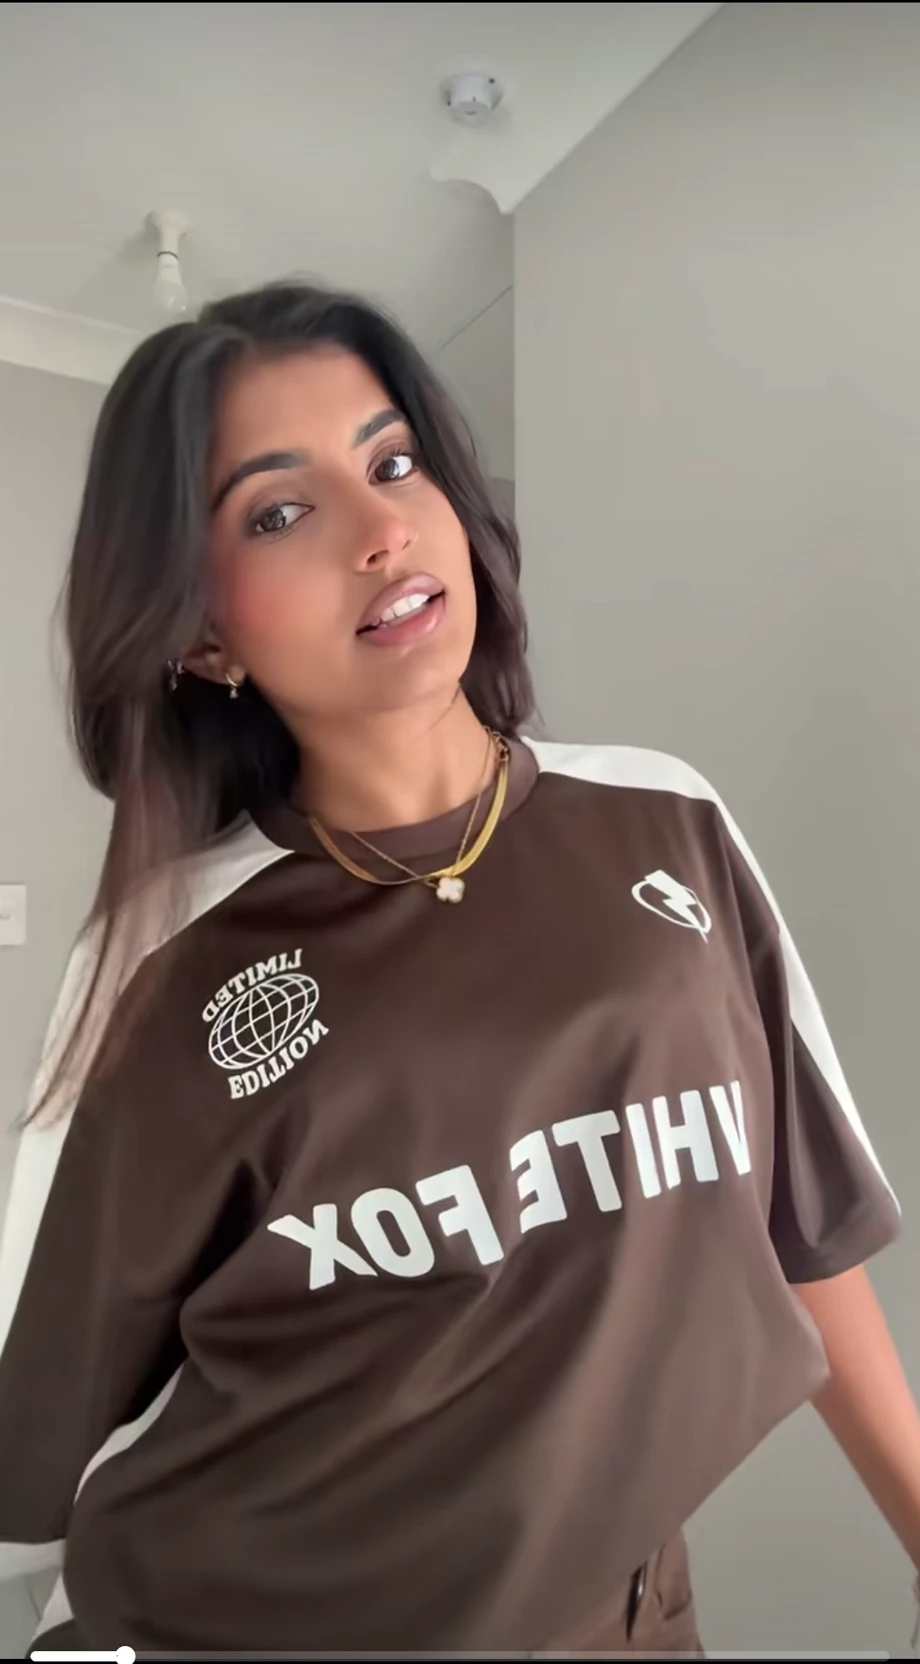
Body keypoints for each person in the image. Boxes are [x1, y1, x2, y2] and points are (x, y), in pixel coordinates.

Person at [0, 283, 917, 1659]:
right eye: (279, 512)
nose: (381, 532)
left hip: (630, 1622)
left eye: (393, 463)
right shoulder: (165, 962)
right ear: (199, 630)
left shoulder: (665, 822)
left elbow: (801, 1229)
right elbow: (38, 1420)